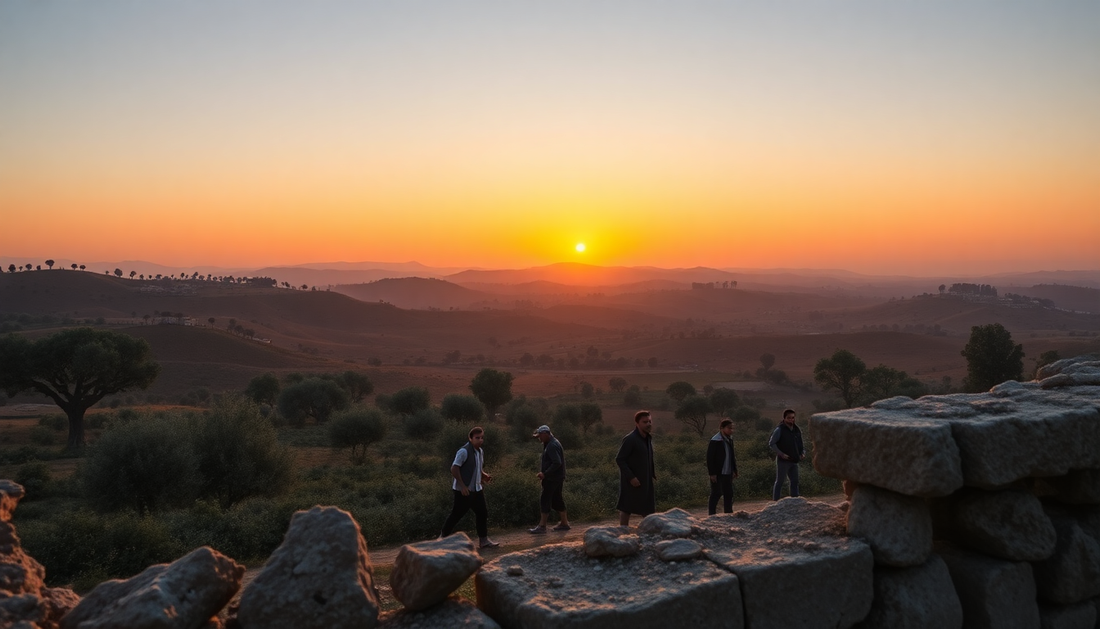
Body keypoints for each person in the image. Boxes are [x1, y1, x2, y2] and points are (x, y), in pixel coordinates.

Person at [440, 426, 499, 548]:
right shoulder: (464, 451)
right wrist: (462, 486)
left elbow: (477, 468)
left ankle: (484, 541)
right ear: (470, 438)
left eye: (482, 437)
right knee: (456, 514)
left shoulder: (480, 451)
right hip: (463, 491)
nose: (480, 440)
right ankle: (441, 539)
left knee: (482, 513)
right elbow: (454, 468)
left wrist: (484, 476)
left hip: (477, 489)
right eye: (477, 438)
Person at [616, 410, 656, 526]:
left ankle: (651, 531)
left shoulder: (647, 438)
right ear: (637, 423)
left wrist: (651, 474)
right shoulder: (630, 439)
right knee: (626, 507)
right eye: (645, 422)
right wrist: (631, 477)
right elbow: (620, 459)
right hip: (632, 480)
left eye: (649, 421)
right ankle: (623, 532)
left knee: (648, 508)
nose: (648, 424)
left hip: (646, 479)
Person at [528, 424, 570, 534]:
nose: (539, 438)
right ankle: (564, 523)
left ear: (545, 434)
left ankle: (542, 526)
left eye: (540, 436)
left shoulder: (552, 445)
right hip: (557, 477)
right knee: (557, 499)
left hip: (552, 478)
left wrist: (545, 474)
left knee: (545, 499)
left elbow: (557, 462)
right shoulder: (552, 443)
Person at [769, 409, 805, 500]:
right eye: (789, 418)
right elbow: (772, 443)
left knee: (795, 481)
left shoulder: (796, 429)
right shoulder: (779, 429)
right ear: (784, 418)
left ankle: (795, 501)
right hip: (783, 461)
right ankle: (775, 502)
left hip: (794, 460)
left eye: (793, 418)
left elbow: (800, 444)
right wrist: (781, 454)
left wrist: (802, 453)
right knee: (780, 482)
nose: (791, 420)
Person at [706, 418, 739, 514]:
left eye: (732, 428)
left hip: (728, 472)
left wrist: (734, 470)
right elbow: (710, 458)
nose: (731, 430)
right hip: (718, 473)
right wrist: (712, 473)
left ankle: (728, 514)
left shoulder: (729, 440)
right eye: (729, 428)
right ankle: (711, 515)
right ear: (722, 428)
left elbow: (732, 456)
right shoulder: (715, 440)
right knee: (716, 493)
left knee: (729, 494)